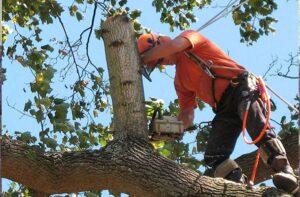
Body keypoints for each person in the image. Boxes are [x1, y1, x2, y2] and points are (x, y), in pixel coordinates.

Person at [137, 30, 299, 194]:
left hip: (240, 88)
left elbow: (174, 45)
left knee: (254, 124)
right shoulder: (180, 81)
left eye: (159, 59)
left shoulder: (189, 38)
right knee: (214, 155)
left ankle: (284, 170)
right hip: (223, 108)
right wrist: (171, 128)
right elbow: (187, 115)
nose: (162, 63)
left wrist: (142, 59)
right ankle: (241, 190)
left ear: (158, 43)